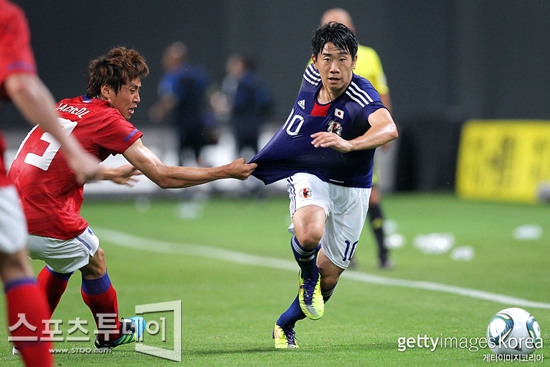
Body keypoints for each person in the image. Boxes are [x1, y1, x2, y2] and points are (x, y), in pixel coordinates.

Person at [8, 46, 257, 351]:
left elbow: (52, 161)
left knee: (66, 260)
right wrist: (225, 171)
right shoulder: (107, 120)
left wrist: (107, 174)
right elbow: (162, 175)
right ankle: (109, 333)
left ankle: (28, 332)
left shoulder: (66, 106)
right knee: (94, 259)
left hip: (10, 211)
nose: (138, 98)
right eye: (132, 89)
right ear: (106, 90)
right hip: (43, 214)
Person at [249, 22, 397, 348]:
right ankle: (307, 274)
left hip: (353, 188)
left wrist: (349, 145)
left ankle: (284, 323)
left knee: (329, 279)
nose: (334, 68)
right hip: (310, 171)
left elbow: (388, 129)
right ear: (314, 60)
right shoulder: (312, 76)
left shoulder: (362, 93)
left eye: (343, 59)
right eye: (327, 58)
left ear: (355, 61)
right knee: (309, 233)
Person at [0, 1, 101, 366]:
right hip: (31, 204)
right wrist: (74, 151)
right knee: (15, 266)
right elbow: (23, 85)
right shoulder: (5, 16)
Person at [318, 7, 394, 269]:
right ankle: (344, 254)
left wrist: (384, 130)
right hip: (332, 141)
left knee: (372, 196)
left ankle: (384, 253)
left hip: (363, 140)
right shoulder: (317, 60)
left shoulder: (369, 57)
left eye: (340, 24)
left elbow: (382, 94)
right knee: (335, 198)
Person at [149, 41, 214, 166]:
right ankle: (209, 178)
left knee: (181, 157)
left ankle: (183, 181)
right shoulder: (198, 73)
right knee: (198, 156)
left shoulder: (172, 77)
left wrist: (159, 111)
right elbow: (210, 95)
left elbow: (171, 99)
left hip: (181, 124)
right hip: (198, 123)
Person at [220, 52, 272, 161]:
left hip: (243, 124)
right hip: (254, 123)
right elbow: (265, 101)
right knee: (255, 154)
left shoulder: (242, 83)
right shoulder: (255, 81)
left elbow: (238, 102)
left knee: (241, 155)